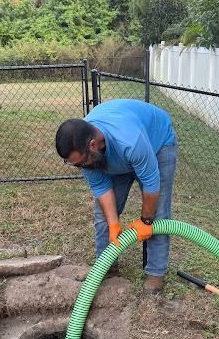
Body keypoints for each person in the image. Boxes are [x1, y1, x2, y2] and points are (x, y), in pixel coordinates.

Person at [55, 99, 177, 293]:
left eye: (80, 163)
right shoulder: (84, 152)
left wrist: (145, 221)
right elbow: (101, 187)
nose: (79, 168)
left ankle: (156, 274)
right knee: (102, 215)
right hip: (119, 155)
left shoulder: (131, 140)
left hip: (157, 144)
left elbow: (151, 183)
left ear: (92, 145)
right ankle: (106, 266)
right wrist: (113, 224)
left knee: (158, 215)